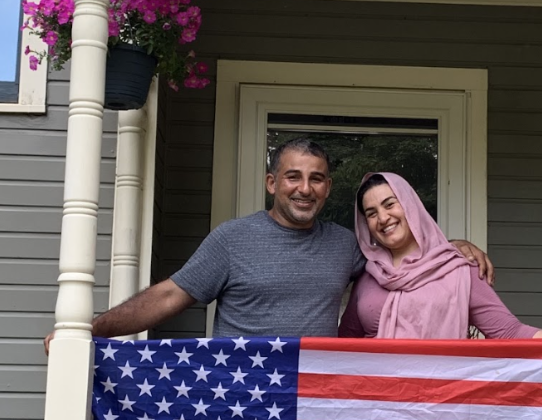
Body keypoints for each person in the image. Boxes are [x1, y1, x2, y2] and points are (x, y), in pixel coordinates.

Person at [44, 140, 492, 351]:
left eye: (316, 179)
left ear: (327, 187)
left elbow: (398, 259)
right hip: (241, 396)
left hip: (313, 396)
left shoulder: (344, 245)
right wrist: (89, 328)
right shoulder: (231, 239)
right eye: (293, 177)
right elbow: (168, 296)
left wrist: (452, 247)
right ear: (271, 182)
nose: (304, 188)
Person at [339, 171, 542, 353]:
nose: (383, 218)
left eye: (390, 204)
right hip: (375, 407)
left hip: (437, 404)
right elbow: (345, 343)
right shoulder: (368, 275)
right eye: (371, 212)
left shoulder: (458, 269)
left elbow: (509, 332)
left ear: (410, 206)